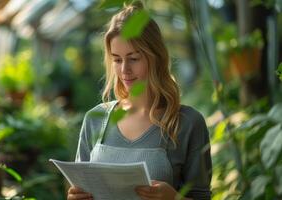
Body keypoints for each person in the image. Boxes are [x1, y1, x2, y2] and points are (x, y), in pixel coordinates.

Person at [67, 1, 212, 200]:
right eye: (117, 60)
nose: (124, 70)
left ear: (156, 58)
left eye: (134, 58)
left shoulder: (187, 123)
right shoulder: (95, 119)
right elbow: (80, 190)